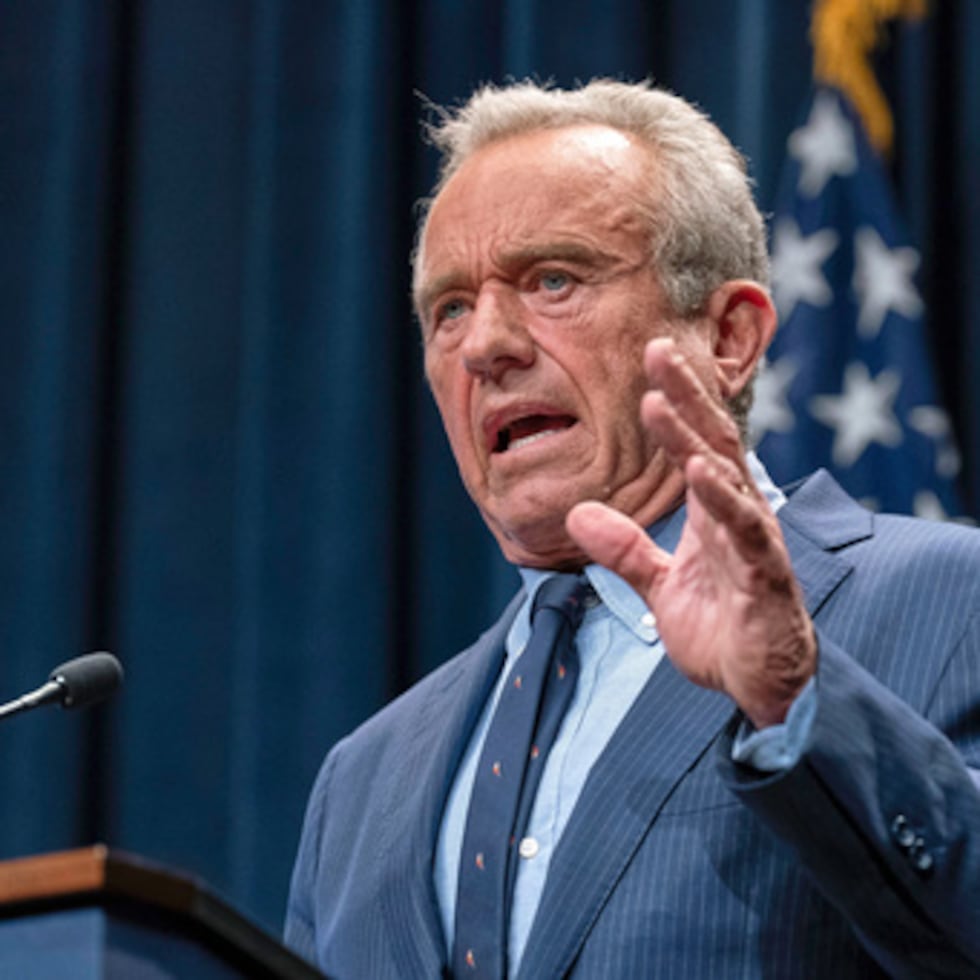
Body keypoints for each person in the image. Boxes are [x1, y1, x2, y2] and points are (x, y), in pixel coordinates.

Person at [284, 79, 980, 978]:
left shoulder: (950, 599)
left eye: (553, 280)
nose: (485, 344)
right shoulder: (361, 779)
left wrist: (796, 701)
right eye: (448, 307)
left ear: (728, 336)